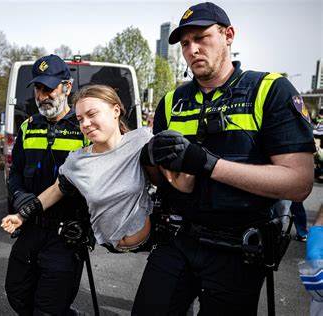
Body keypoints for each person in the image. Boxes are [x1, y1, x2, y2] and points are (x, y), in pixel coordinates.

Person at [135, 2, 316, 315]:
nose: (192, 49)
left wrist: (209, 165)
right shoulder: (170, 103)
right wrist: (150, 161)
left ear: (228, 35)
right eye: (185, 43)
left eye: (201, 38)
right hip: (177, 238)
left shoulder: (269, 90)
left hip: (237, 249)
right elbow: (161, 181)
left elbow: (298, 183)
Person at [1, 85, 194, 253]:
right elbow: (54, 191)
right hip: (107, 244)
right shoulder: (76, 160)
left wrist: (192, 159)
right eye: (79, 118)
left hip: (145, 242)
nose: (85, 124)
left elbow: (175, 184)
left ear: (115, 110)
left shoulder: (141, 141)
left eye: (92, 114)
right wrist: (21, 216)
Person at [3, 54, 89, 316]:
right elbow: (15, 171)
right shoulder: (28, 127)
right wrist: (18, 197)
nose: (42, 96)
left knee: (49, 308)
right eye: (38, 89)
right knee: (17, 294)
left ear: (67, 87)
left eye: (49, 88)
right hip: (30, 228)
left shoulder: (84, 128)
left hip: (65, 235)